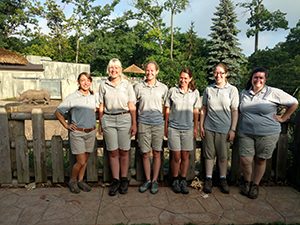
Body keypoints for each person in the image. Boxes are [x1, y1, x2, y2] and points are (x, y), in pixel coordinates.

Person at [238, 67, 298, 199]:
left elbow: (294, 102)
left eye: (261, 77)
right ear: (251, 78)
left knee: (260, 159)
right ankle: (246, 182)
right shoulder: (244, 93)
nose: (258, 80)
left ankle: (255, 185)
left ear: (265, 79)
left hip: (267, 133)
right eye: (255, 77)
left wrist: (283, 118)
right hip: (245, 132)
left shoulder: (273, 92)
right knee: (245, 159)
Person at [98, 58, 137, 196]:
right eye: (111, 68)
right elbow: (101, 105)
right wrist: (101, 123)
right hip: (108, 119)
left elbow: (132, 105)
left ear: (120, 70)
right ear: (108, 69)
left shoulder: (127, 85)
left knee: (124, 151)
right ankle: (115, 180)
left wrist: (134, 123)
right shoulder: (103, 85)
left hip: (124, 118)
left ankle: (124, 179)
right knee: (113, 152)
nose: (113, 70)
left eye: (116, 68)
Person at [55, 72, 98, 194]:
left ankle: (80, 180)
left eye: (88, 80)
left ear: (90, 82)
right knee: (81, 161)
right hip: (78, 133)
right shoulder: (72, 97)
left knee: (86, 159)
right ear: (78, 82)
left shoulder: (93, 96)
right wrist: (66, 125)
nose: (85, 82)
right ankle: (72, 181)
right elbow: (58, 112)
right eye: (83, 80)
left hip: (91, 132)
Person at [200, 63, 239, 194]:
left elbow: (234, 110)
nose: (218, 75)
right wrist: (201, 126)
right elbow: (204, 109)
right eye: (216, 73)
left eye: (221, 73)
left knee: (223, 156)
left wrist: (233, 129)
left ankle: (223, 179)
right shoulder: (208, 89)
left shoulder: (232, 90)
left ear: (226, 74)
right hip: (209, 127)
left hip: (225, 129)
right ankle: (209, 179)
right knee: (209, 155)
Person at [165, 68, 201, 194]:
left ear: (190, 79)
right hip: (174, 127)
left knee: (185, 156)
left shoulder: (194, 93)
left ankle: (183, 179)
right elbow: (167, 110)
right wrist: (166, 126)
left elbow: (196, 111)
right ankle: (175, 179)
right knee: (176, 156)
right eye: (181, 77)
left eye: (186, 78)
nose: (183, 80)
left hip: (188, 128)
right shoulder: (172, 91)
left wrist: (195, 127)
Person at [134, 61, 168, 194]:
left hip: (158, 123)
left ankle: (155, 180)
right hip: (143, 123)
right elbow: (133, 104)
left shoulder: (163, 88)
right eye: (147, 70)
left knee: (157, 152)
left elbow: (167, 107)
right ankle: (147, 179)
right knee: (145, 153)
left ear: (157, 72)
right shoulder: (138, 87)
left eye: (152, 70)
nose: (149, 73)